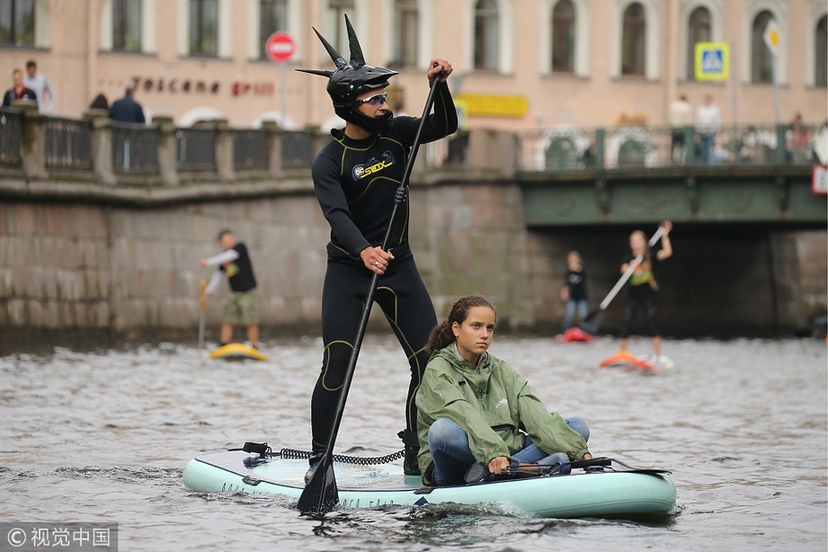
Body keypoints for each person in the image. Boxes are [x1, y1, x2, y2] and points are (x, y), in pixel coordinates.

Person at [297, 14, 458, 477]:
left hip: (399, 266)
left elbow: (442, 124)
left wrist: (439, 85)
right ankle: (320, 460)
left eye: (385, 96)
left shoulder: (397, 132)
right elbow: (337, 216)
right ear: (349, 106)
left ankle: (415, 450)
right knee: (338, 362)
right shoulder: (329, 161)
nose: (384, 104)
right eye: (374, 99)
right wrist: (364, 251)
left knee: (430, 361)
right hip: (350, 270)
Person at [415, 295, 592, 486]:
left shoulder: (501, 369)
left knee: (576, 428)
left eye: (489, 328)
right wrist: (493, 453)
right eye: (476, 326)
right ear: (456, 329)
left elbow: (536, 416)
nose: (485, 334)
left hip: (504, 453)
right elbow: (462, 414)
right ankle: (521, 468)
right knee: (441, 431)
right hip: (457, 464)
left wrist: (580, 453)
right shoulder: (437, 369)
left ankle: (495, 471)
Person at [618, 221, 673, 360]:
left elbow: (667, 253)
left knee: (651, 323)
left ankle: (658, 356)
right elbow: (623, 270)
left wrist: (665, 236)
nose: (635, 243)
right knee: (626, 324)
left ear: (644, 242)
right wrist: (631, 266)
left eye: (638, 240)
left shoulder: (650, 256)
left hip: (648, 296)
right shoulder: (628, 257)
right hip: (632, 296)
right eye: (632, 241)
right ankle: (622, 354)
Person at [199, 229, 260, 348]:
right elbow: (218, 276)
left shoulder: (240, 248)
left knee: (251, 321)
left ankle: (254, 346)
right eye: (226, 240)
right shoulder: (223, 260)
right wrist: (207, 293)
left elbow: (230, 255)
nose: (229, 241)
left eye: (231, 239)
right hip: (234, 292)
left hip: (248, 292)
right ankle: (224, 344)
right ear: (221, 243)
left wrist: (208, 262)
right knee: (228, 320)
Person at [560, 251, 588, 330]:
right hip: (572, 296)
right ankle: (567, 329)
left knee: (583, 315)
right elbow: (566, 283)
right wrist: (564, 292)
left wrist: (576, 268)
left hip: (582, 296)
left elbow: (581, 270)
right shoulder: (568, 272)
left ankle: (585, 330)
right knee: (569, 314)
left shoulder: (581, 270)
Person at [695, 94, 721, 164]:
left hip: (711, 131)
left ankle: (710, 162)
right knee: (703, 147)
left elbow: (717, 120)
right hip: (702, 131)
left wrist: (717, 129)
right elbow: (698, 120)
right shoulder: (700, 109)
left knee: (710, 147)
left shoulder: (714, 109)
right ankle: (704, 161)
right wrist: (698, 130)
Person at [668, 94, 692, 163]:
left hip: (674, 128)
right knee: (682, 144)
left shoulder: (673, 105)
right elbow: (688, 120)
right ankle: (681, 159)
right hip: (682, 129)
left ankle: (673, 158)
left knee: (674, 144)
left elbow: (669, 117)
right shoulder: (686, 106)